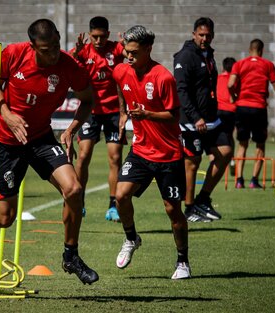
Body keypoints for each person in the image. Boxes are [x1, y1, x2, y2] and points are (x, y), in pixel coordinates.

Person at [0, 19, 99, 285]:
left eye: (55, 46)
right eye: (45, 49)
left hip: (40, 137)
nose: (52, 54)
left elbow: (88, 100)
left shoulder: (68, 66)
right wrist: (6, 113)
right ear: (33, 46)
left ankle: (70, 255)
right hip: (6, 142)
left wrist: (72, 129)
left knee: (74, 189)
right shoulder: (13, 54)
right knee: (4, 218)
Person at [112, 25, 190, 279]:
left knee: (172, 211)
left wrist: (148, 115)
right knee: (120, 196)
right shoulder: (121, 71)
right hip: (141, 151)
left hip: (169, 155)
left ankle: (182, 262)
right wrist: (124, 113)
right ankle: (132, 238)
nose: (129, 56)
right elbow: (120, 89)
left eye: (134, 52)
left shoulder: (163, 77)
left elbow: (174, 116)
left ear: (148, 49)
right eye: (126, 51)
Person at [173, 17, 233, 223]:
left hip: (211, 119)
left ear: (213, 35)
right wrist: (195, 117)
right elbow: (181, 91)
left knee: (225, 152)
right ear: (193, 35)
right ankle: (189, 209)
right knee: (192, 163)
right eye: (201, 35)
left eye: (208, 35)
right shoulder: (185, 56)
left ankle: (203, 199)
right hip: (191, 121)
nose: (204, 38)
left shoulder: (208, 55)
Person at [69, 16, 126, 222]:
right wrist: (76, 53)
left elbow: (130, 53)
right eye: (95, 37)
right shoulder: (83, 51)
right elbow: (69, 62)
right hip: (90, 111)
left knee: (115, 158)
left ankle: (113, 206)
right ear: (89, 34)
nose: (99, 41)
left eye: (102, 37)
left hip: (112, 112)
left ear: (108, 35)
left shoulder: (116, 49)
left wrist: (127, 44)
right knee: (83, 156)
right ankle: (79, 201)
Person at [228, 39, 275, 188]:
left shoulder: (239, 64)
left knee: (242, 144)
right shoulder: (268, 65)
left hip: (242, 108)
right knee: (260, 145)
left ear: (250, 49)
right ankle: (254, 181)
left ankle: (239, 181)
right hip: (258, 109)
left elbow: (230, 84)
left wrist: (234, 96)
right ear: (261, 50)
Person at [216, 57, 237, 175]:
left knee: (216, 138)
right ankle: (232, 160)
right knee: (229, 136)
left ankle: (216, 162)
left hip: (217, 111)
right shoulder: (235, 80)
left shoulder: (216, 79)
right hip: (231, 111)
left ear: (223, 67)